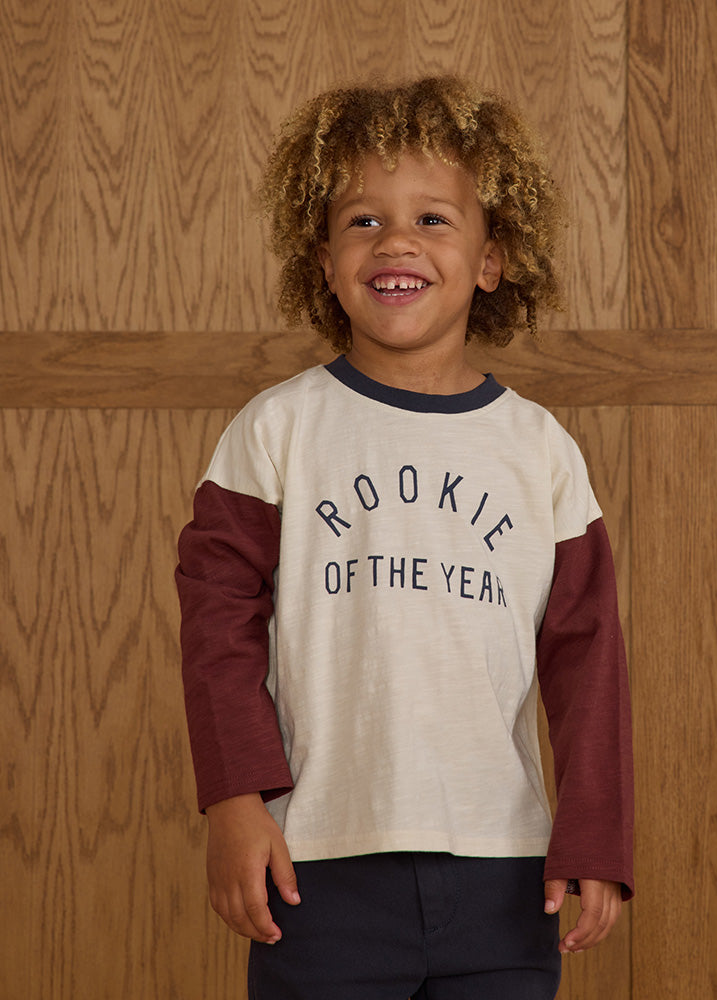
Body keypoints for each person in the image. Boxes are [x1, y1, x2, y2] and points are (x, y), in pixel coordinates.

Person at [175, 75, 634, 1000]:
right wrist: (234, 803)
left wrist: (595, 836)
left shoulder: (539, 449)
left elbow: (587, 658)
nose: (395, 242)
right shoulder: (276, 433)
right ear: (322, 256)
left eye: (433, 219)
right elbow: (216, 630)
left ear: (493, 258)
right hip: (317, 868)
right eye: (361, 222)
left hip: (507, 878)